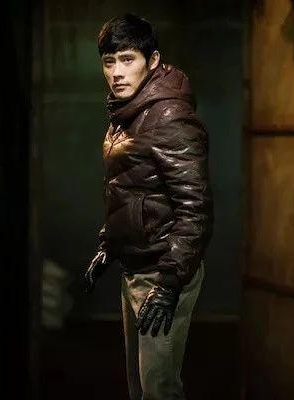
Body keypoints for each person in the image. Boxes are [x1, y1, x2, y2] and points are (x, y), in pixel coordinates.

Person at [83, 13, 214, 400]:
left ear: (152, 60)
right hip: (137, 266)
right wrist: (110, 245)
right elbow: (130, 188)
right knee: (140, 388)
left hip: (163, 269)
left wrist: (169, 284)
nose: (117, 72)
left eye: (128, 59)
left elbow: (195, 209)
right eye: (109, 62)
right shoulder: (128, 111)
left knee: (159, 390)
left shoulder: (168, 117)